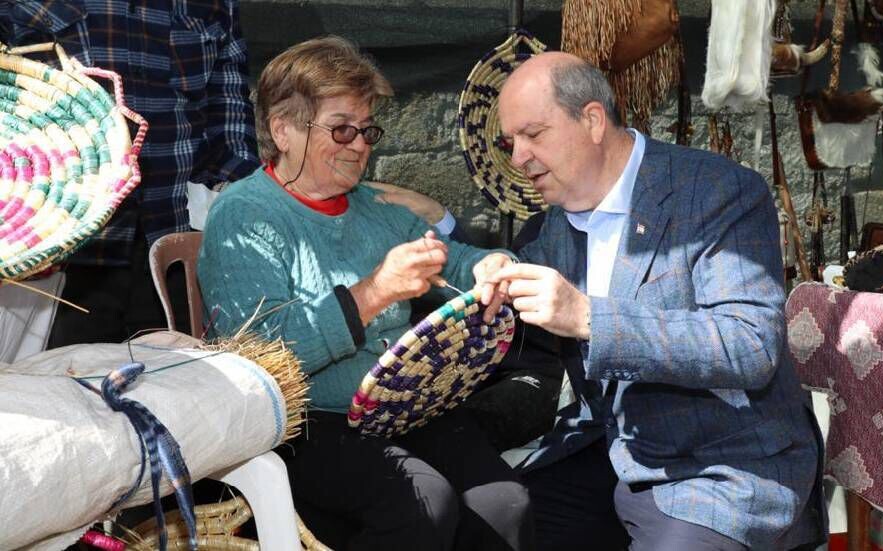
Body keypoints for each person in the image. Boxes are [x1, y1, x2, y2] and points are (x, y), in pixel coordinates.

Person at [197, 36, 532, 551]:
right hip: (305, 425)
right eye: (341, 129)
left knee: (504, 503)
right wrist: (374, 292)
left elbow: (457, 261)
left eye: (367, 129)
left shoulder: (376, 208)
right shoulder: (244, 216)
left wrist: (494, 267)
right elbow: (257, 358)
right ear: (283, 130)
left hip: (402, 408)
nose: (359, 145)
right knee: (422, 506)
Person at [485, 52, 827, 550]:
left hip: (718, 464)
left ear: (592, 121)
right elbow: (516, 270)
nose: (518, 158)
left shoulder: (716, 192)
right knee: (491, 522)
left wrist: (587, 317)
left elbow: (749, 345)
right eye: (510, 142)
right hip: (607, 450)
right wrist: (491, 263)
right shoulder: (557, 220)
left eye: (533, 135)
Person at [0, 0, 262, 345]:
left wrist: (242, 209)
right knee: (54, 374)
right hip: (57, 252)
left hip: (170, 243)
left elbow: (230, 113)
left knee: (174, 372)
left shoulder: (216, 5)